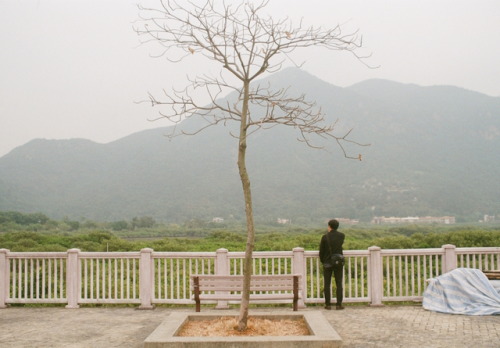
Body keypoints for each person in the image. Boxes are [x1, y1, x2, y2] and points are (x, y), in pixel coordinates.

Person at [319, 219, 345, 310]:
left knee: (327, 284)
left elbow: (321, 251)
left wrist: (323, 261)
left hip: (327, 262)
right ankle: (339, 304)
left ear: (329, 226)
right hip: (338, 262)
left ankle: (328, 304)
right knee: (339, 283)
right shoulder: (342, 236)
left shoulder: (325, 237)